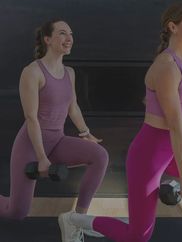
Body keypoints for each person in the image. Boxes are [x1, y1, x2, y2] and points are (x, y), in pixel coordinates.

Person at [58, 2, 182, 242]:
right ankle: (73, 220)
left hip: (173, 147)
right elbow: (174, 126)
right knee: (138, 236)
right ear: (173, 26)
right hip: (150, 151)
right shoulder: (166, 66)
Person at [0, 20, 109, 238]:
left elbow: (73, 106)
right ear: (47, 40)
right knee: (17, 212)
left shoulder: (69, 72)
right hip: (31, 144)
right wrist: (41, 157)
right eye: (62, 33)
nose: (69, 38)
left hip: (57, 140)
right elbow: (31, 118)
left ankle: (76, 219)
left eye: (70, 33)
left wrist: (85, 133)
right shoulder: (32, 72)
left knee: (100, 155)